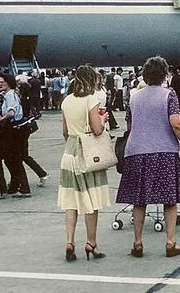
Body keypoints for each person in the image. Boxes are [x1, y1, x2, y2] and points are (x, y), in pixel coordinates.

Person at [116, 56, 180, 258]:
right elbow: (176, 123)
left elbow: (130, 125)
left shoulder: (134, 97)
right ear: (164, 74)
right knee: (169, 199)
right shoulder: (169, 95)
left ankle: (138, 242)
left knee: (139, 200)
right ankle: (170, 242)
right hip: (163, 151)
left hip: (136, 151)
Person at [59, 65, 111, 262]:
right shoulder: (91, 100)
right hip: (87, 154)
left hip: (69, 152)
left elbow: (65, 132)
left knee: (70, 200)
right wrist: (103, 119)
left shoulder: (66, 101)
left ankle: (70, 241)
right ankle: (91, 243)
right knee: (91, 200)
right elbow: (97, 130)